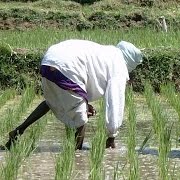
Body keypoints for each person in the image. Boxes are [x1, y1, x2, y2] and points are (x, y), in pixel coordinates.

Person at [0, 39, 143, 150]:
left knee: (51, 101)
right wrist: (112, 135)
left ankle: (18, 131)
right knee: (81, 118)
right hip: (67, 66)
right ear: (130, 63)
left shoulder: (107, 53)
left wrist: (84, 102)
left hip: (49, 61)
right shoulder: (118, 65)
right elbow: (115, 102)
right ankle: (76, 154)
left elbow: (87, 73)